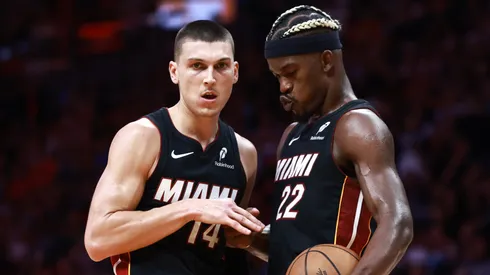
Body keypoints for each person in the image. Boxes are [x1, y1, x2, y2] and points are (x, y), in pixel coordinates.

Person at [226, 5, 414, 275]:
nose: (283, 86)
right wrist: (250, 238)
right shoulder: (291, 135)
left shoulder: (356, 126)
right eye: (277, 76)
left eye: (291, 73)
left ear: (326, 61)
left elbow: (398, 223)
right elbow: (300, 250)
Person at [84, 20, 265, 275]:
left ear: (235, 72)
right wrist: (191, 208)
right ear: (174, 72)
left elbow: (229, 253)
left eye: (221, 66)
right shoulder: (143, 137)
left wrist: (245, 238)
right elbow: (98, 239)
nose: (210, 79)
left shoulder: (245, 154)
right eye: (197, 66)